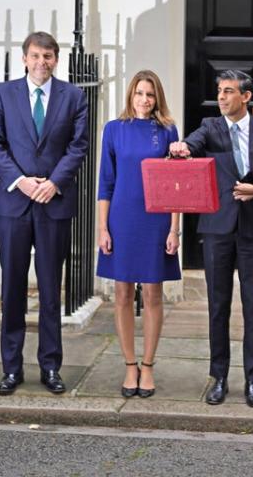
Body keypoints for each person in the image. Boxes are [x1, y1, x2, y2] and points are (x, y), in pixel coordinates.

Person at [169, 69, 253, 408]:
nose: (221, 97)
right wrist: (182, 147)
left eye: (228, 92)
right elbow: (192, 145)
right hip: (217, 229)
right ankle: (219, 376)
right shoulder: (210, 127)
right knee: (217, 306)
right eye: (219, 92)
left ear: (246, 96)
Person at [0, 31, 89, 396]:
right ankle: (11, 368)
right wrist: (21, 181)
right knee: (12, 287)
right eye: (35, 55)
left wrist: (54, 183)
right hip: (14, 203)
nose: (41, 62)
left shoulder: (73, 96)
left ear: (56, 59)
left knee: (49, 290)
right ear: (24, 58)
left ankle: (50, 366)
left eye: (48, 56)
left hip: (54, 204)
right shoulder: (3, 94)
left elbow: (78, 146)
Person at [97, 70, 181, 399]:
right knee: (121, 294)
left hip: (156, 220)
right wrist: (103, 228)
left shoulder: (167, 130)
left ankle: (148, 365)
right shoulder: (114, 130)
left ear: (157, 98)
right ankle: (129, 364)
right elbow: (106, 181)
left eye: (150, 94)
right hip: (121, 218)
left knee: (152, 295)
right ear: (130, 95)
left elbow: (175, 183)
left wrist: (174, 229)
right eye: (139, 93)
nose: (144, 100)